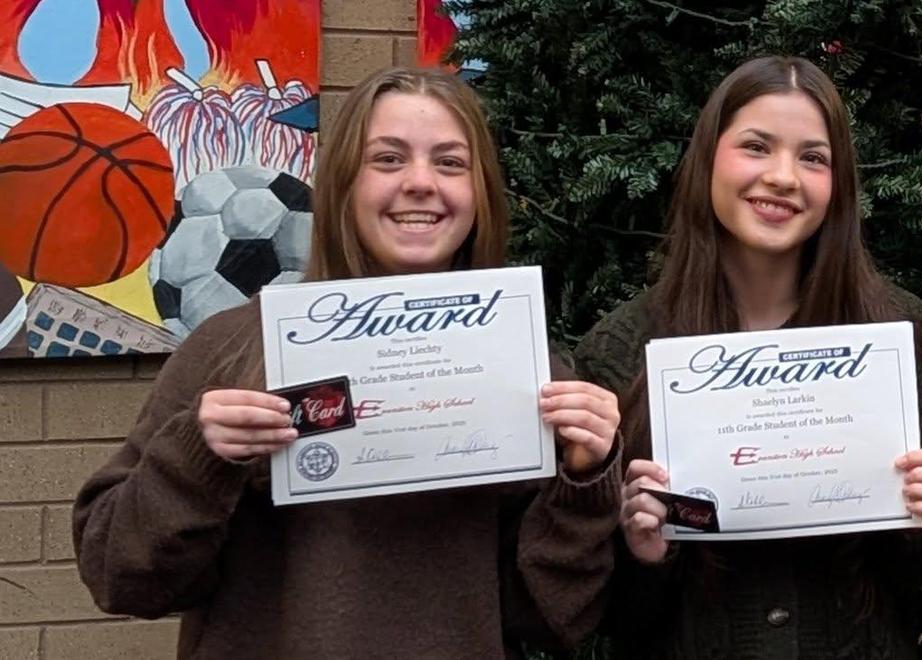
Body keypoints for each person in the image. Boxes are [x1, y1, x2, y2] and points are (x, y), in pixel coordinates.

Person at [72, 67, 624, 660]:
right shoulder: (228, 347)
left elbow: (550, 617)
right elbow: (120, 577)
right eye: (387, 160)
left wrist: (584, 483)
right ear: (343, 184)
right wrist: (196, 458)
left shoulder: (528, 369)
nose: (420, 183)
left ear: (482, 192)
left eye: (450, 162)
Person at [572, 55, 922, 659]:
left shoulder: (902, 333)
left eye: (813, 157)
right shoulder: (619, 350)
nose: (783, 176)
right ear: (709, 160)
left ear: (838, 186)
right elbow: (604, 617)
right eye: (756, 147)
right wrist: (645, 551)